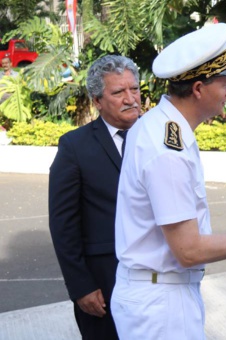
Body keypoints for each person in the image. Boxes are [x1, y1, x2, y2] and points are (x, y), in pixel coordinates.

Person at [111, 23, 226, 340]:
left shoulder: (163, 127)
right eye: (225, 83)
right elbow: (188, 250)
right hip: (161, 307)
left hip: (160, 294)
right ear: (198, 88)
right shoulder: (167, 149)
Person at [49, 54, 141, 340]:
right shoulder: (74, 147)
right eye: (118, 92)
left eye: (134, 89)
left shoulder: (159, 138)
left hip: (157, 280)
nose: (131, 99)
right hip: (103, 282)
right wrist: (81, 286)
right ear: (97, 100)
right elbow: (63, 224)